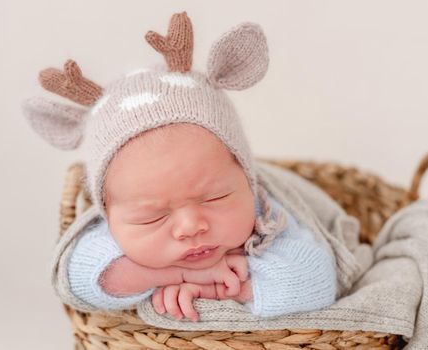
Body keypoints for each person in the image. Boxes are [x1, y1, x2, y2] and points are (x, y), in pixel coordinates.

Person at [23, 12, 338, 322]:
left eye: (213, 198)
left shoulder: (267, 216)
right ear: (109, 213)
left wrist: (226, 288)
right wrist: (179, 273)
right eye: (153, 217)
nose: (191, 226)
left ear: (245, 177)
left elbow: (317, 280)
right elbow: (76, 278)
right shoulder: (112, 232)